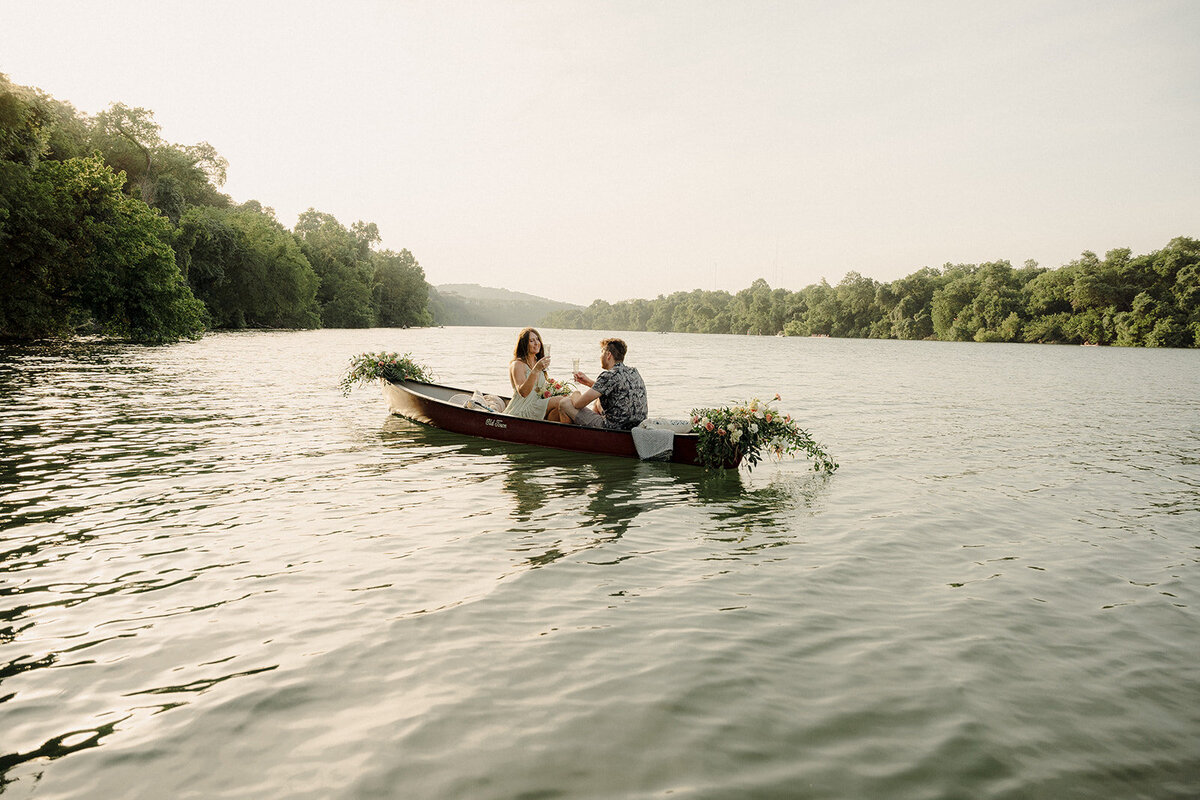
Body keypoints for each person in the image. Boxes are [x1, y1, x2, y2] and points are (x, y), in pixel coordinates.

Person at [559, 337, 647, 429]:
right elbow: (614, 390)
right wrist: (588, 382)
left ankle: (570, 439)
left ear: (608, 355)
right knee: (598, 402)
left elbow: (578, 404)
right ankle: (590, 435)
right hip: (635, 427)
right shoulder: (634, 372)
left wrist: (575, 394)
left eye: (602, 352)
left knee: (565, 403)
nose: (600, 356)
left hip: (613, 428)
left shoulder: (609, 375)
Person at [503, 327, 569, 422]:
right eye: (531, 341)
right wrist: (535, 370)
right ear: (524, 344)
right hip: (523, 409)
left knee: (557, 411)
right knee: (561, 401)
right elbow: (523, 393)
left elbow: (539, 389)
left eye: (537, 339)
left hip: (537, 404)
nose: (536, 343)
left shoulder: (538, 362)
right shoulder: (517, 364)